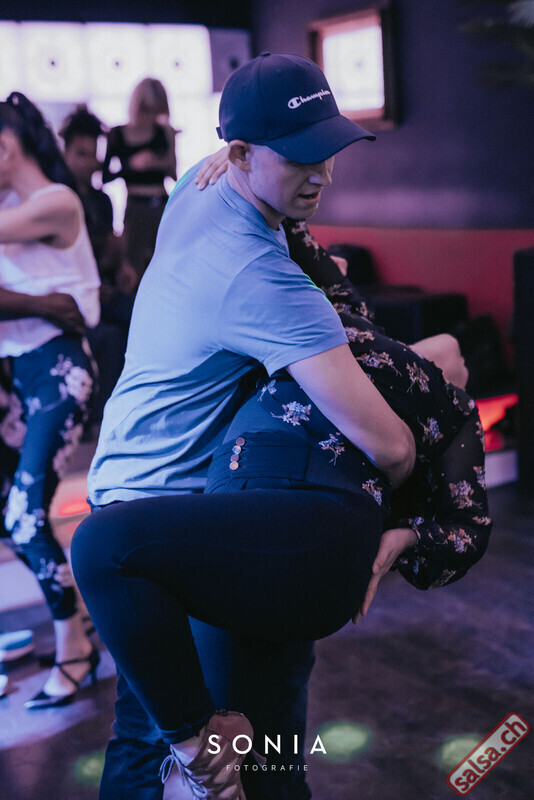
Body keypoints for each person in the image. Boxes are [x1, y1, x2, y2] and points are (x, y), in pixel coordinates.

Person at [76, 52, 417, 800]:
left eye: (327, 151)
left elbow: (236, 168)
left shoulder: (198, 189)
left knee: (143, 737)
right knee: (251, 748)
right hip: (174, 513)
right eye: (298, 157)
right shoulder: (263, 280)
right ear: (238, 153)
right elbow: (390, 446)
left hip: (126, 484)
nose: (320, 175)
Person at [72, 217, 491, 798]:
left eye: (447, 358)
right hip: (240, 508)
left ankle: (200, 748)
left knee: (234, 731)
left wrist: (408, 538)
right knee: (217, 730)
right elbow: (285, 219)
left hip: (303, 523)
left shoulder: (449, 408)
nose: (443, 353)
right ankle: (201, 748)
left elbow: (469, 525)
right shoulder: (322, 324)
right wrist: (225, 172)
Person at [0, 92, 100, 709]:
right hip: (16, 374)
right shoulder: (12, 207)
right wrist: (37, 303)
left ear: (5, 148)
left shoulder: (56, 201)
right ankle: (79, 622)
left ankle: (75, 647)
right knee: (9, 515)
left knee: (25, 516)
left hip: (58, 368)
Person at [59, 105, 137, 427]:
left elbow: (110, 255)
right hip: (71, 293)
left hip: (103, 290)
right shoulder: (56, 199)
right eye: (81, 153)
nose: (89, 162)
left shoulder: (102, 200)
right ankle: (103, 420)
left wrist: (122, 266)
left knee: (143, 313)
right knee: (111, 335)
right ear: (64, 151)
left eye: (94, 155)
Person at [102, 77, 177, 279]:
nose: (150, 117)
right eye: (146, 110)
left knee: (166, 264)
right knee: (133, 268)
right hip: (135, 207)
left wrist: (156, 162)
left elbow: (174, 174)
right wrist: (130, 166)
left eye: (155, 111)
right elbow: (105, 177)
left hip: (161, 204)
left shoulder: (164, 132)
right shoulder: (117, 134)